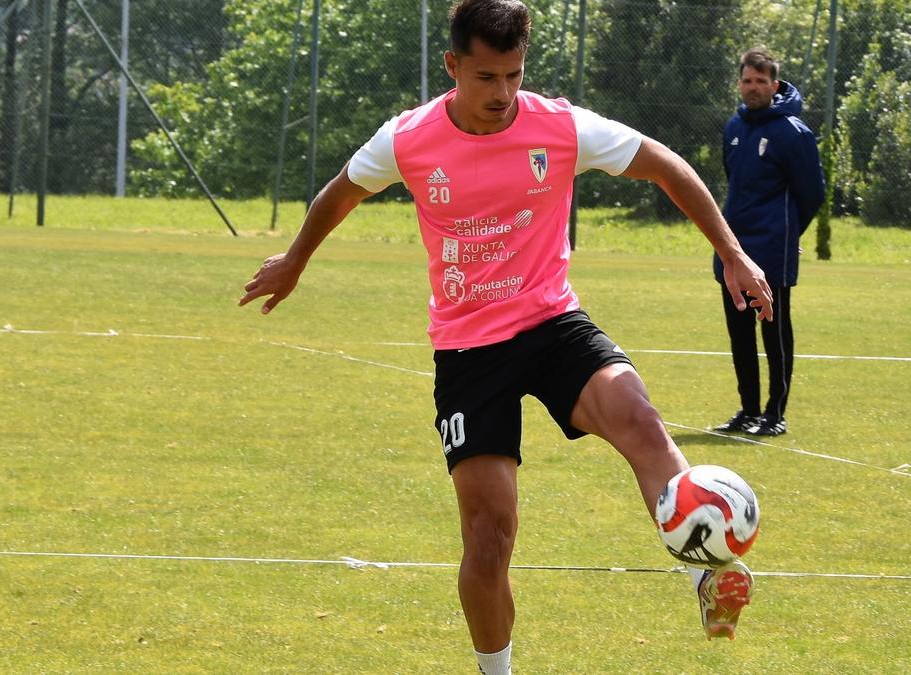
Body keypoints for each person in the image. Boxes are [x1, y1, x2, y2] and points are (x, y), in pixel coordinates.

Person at [240, 2, 772, 671]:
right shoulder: (408, 139)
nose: (501, 94)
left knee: (638, 415)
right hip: (468, 350)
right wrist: (294, 260)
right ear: (453, 66)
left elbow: (665, 164)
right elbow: (340, 194)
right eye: (486, 77)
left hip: (553, 324)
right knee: (489, 539)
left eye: (514, 75)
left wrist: (730, 251)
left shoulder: (560, 127)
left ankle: (705, 573)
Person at [712, 49, 825, 438]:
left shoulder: (793, 132)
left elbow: (812, 193)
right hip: (733, 248)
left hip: (772, 250)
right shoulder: (734, 128)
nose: (753, 88)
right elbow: (735, 180)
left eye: (761, 82)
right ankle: (748, 410)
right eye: (747, 80)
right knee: (739, 334)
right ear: (740, 83)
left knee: (773, 332)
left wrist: (789, 234)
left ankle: (775, 413)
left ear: (775, 86)